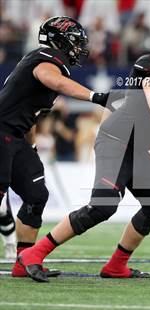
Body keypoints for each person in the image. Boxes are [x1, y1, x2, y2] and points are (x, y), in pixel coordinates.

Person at [19, 31, 150, 282]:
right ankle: (34, 253)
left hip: (136, 149)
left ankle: (116, 266)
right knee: (102, 207)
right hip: (116, 141)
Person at [0, 16, 110, 277]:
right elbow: (53, 80)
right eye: (75, 42)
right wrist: (95, 96)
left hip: (16, 137)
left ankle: (22, 261)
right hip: (1, 132)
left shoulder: (53, 66)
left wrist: (32, 145)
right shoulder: (44, 57)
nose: (79, 48)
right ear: (59, 41)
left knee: (37, 195)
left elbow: (30, 116)